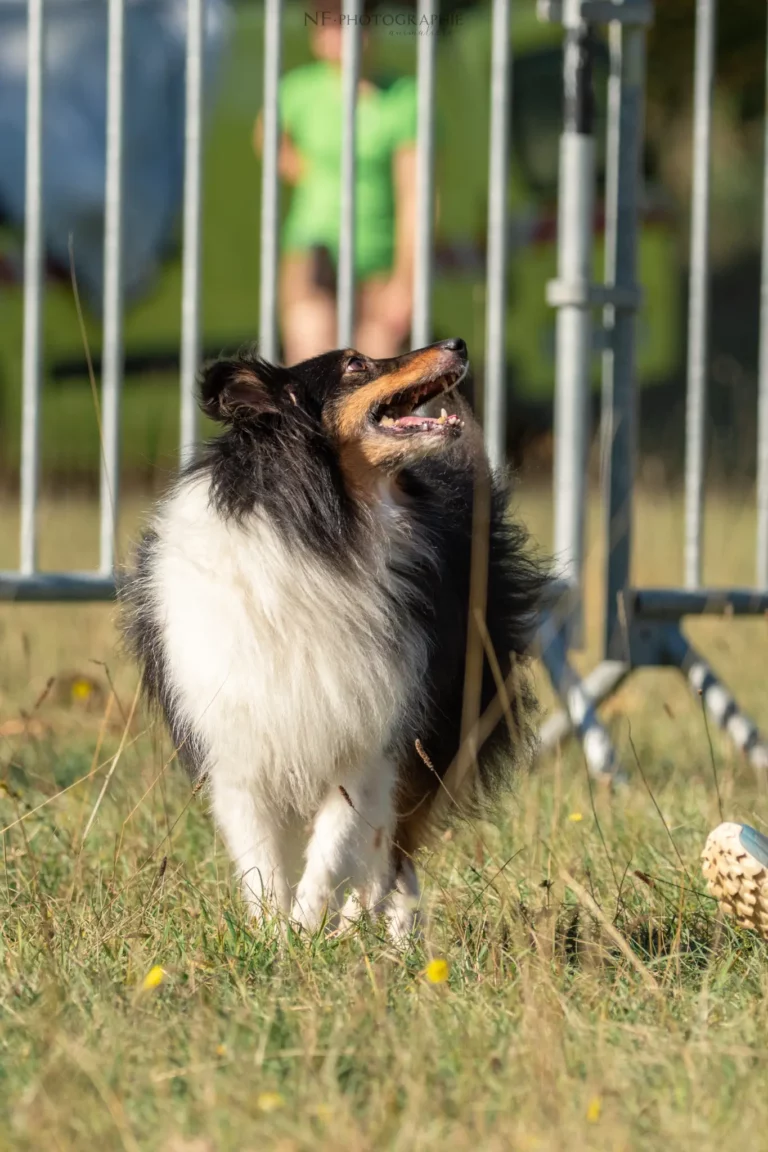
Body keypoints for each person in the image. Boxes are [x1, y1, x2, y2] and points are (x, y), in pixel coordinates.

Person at [255, 2, 417, 363]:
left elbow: (417, 196)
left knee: (376, 366)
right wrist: (305, 172)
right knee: (311, 354)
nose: (338, 34)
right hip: (313, 246)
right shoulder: (297, 90)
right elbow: (265, 135)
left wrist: (406, 282)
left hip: (378, 256)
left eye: (349, 23)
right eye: (328, 23)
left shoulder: (404, 98)